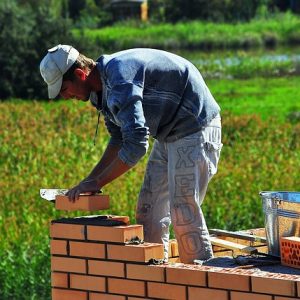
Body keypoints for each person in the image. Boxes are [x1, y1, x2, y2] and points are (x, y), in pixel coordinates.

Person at [40, 44, 223, 264]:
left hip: (194, 124)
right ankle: (156, 278)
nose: (64, 96)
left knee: (183, 209)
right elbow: (119, 139)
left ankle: (200, 283)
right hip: (168, 132)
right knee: (149, 210)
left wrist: (96, 181)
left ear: (80, 74)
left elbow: (136, 145)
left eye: (64, 89)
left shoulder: (120, 79)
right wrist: (89, 181)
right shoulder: (101, 93)